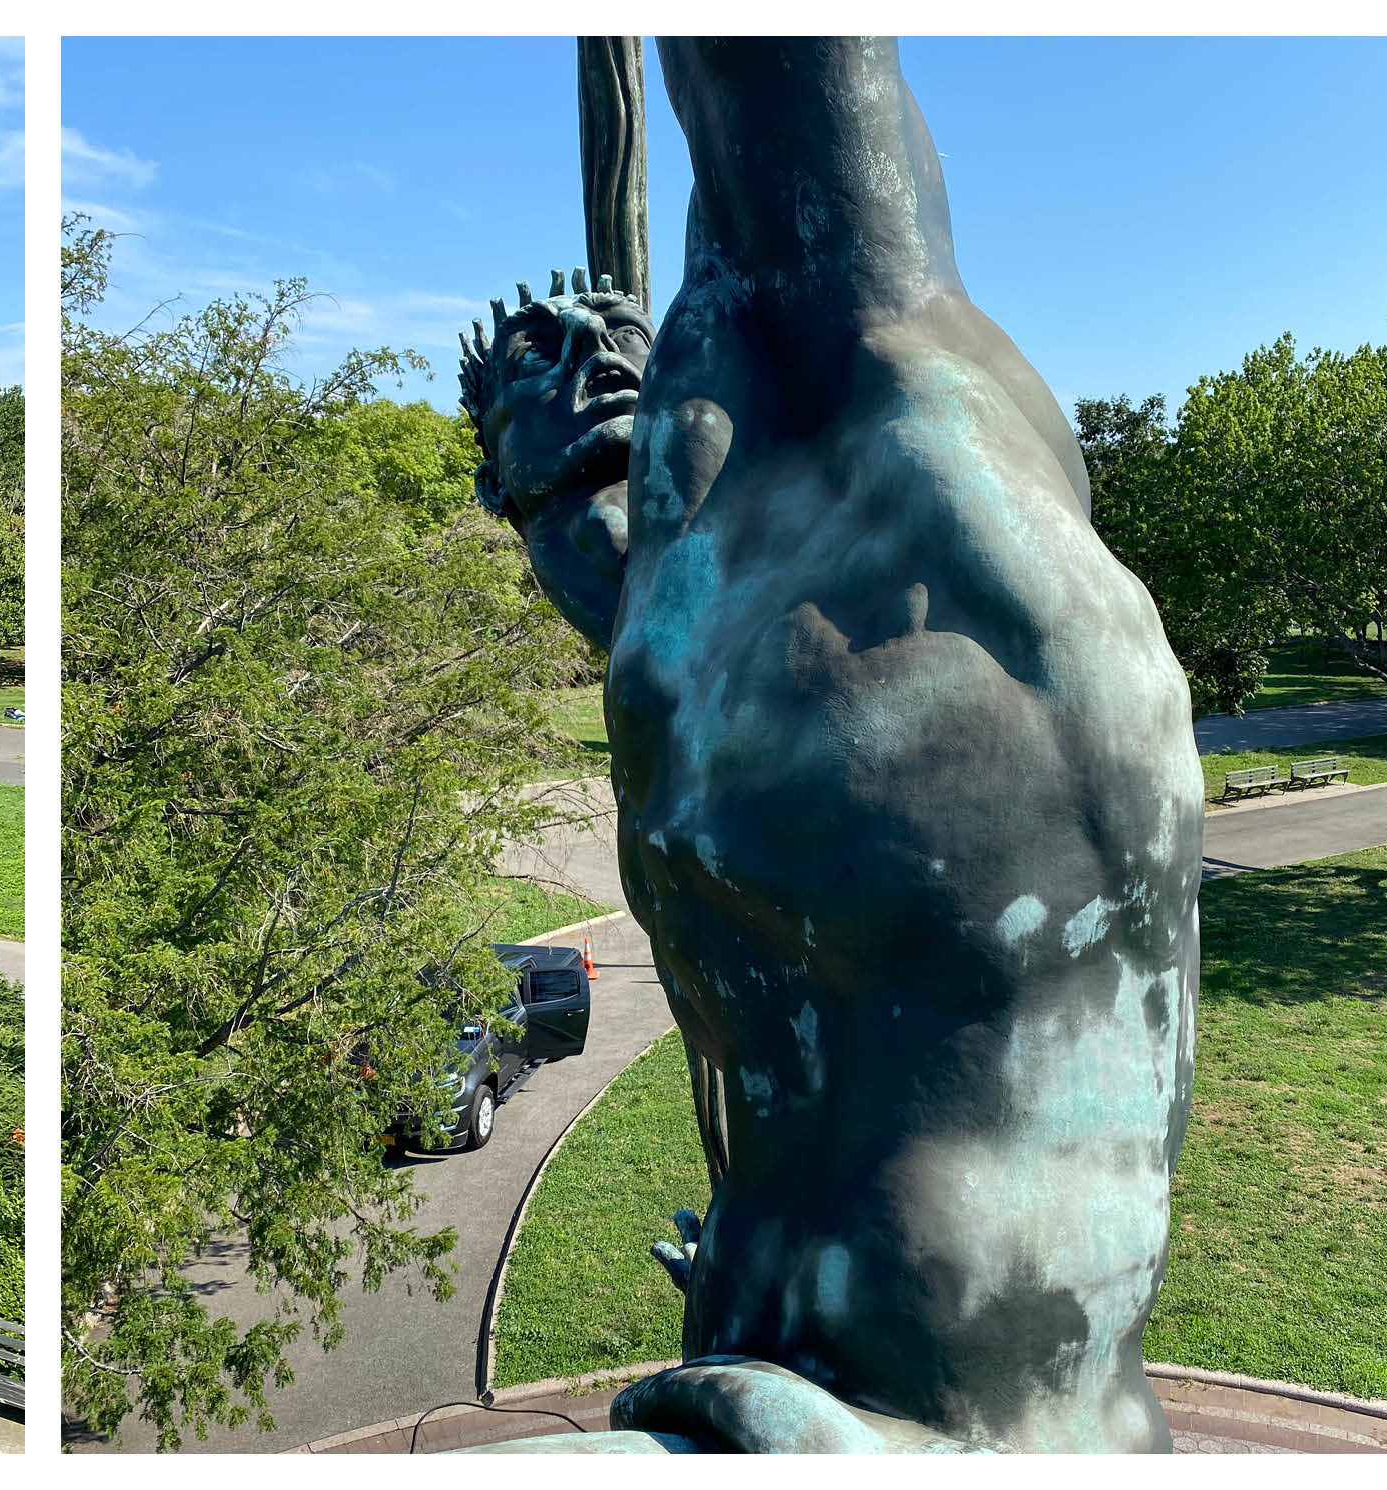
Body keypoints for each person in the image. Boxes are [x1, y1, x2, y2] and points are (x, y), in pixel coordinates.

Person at [472, 37, 1198, 1453]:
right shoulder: (771, 653)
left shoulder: (927, 460)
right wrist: (557, 473)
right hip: (839, 1376)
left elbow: (782, 82)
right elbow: (644, 632)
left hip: (933, 1432)